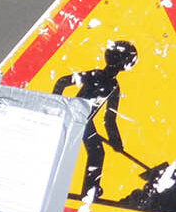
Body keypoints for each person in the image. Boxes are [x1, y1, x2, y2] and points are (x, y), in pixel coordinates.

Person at [52, 39, 139, 203]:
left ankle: (90, 190)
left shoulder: (111, 84)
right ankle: (88, 190)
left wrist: (116, 141)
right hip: (77, 117)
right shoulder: (99, 77)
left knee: (96, 152)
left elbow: (109, 119)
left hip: (85, 121)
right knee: (94, 152)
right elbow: (62, 81)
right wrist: (58, 105)